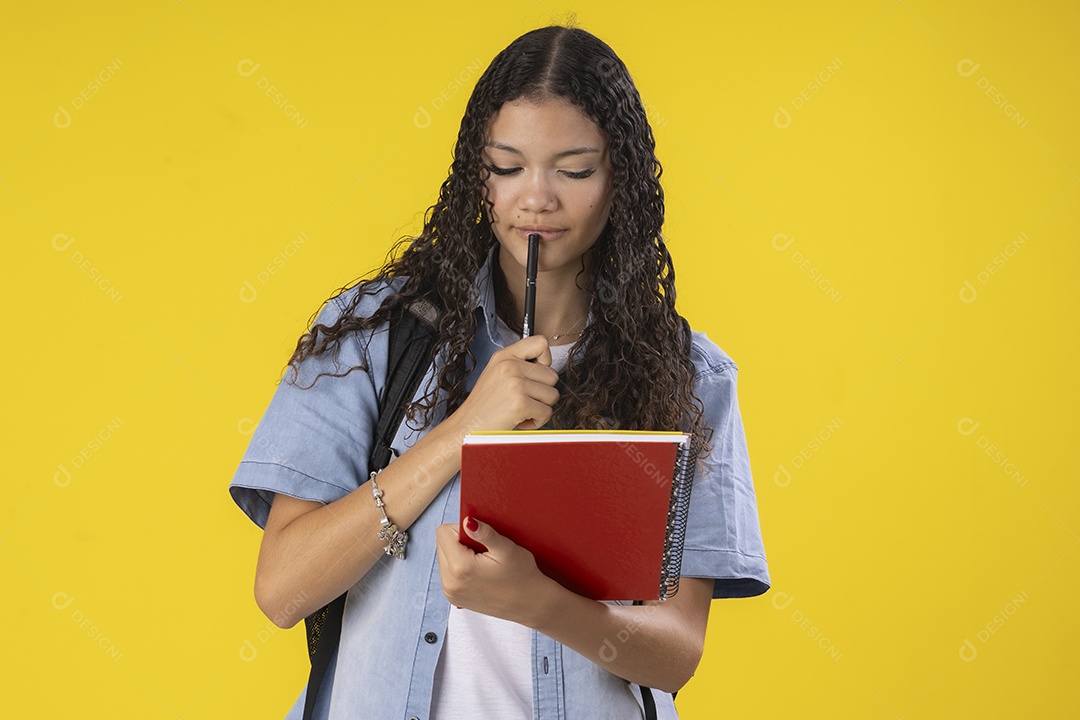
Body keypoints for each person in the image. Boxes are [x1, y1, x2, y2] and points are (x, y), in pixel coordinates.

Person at [230, 24, 769, 720]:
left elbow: (678, 651)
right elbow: (283, 590)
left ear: (620, 181)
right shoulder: (376, 335)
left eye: (574, 170)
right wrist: (462, 430)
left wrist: (539, 604)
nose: (535, 198)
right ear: (475, 174)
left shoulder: (689, 376)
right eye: (508, 167)